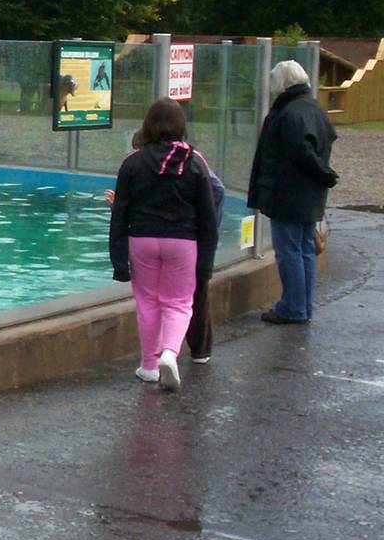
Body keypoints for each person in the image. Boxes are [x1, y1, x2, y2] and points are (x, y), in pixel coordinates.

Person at [109, 99, 220, 391]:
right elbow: (208, 217)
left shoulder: (132, 162)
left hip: (142, 240)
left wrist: (119, 261)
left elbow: (119, 213)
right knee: (179, 303)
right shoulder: (195, 162)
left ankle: (148, 366)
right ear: (181, 126)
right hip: (183, 242)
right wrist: (206, 262)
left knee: (147, 302)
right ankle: (170, 352)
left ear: (148, 125)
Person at [247, 60, 339, 324]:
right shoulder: (313, 108)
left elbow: (300, 151)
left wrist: (322, 172)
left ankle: (293, 307)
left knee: (288, 251)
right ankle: (303, 304)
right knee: (304, 250)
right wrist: (324, 175)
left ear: (284, 83)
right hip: (309, 193)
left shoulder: (290, 113)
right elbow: (323, 141)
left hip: (288, 193)